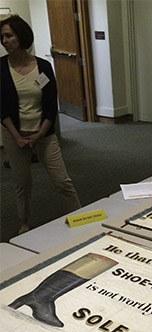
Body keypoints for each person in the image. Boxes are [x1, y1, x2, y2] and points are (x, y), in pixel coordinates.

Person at [1, 15, 81, 234]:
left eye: (9, 35)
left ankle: (78, 219)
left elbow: (49, 105)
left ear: (21, 36)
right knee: (22, 183)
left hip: (44, 134)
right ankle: (24, 223)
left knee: (62, 180)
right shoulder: (0, 67)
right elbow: (2, 109)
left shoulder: (43, 67)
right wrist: (17, 136)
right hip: (13, 135)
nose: (5, 41)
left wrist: (39, 134)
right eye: (2, 37)